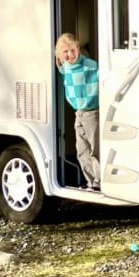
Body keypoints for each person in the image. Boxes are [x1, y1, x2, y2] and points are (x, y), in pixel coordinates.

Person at [55, 33, 101, 191]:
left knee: (95, 148)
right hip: (79, 113)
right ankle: (91, 181)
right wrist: (59, 59)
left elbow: (103, 76)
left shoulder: (91, 66)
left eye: (73, 50)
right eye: (65, 52)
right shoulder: (66, 67)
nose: (70, 54)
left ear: (78, 49)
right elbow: (61, 67)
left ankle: (99, 181)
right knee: (82, 150)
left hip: (92, 112)